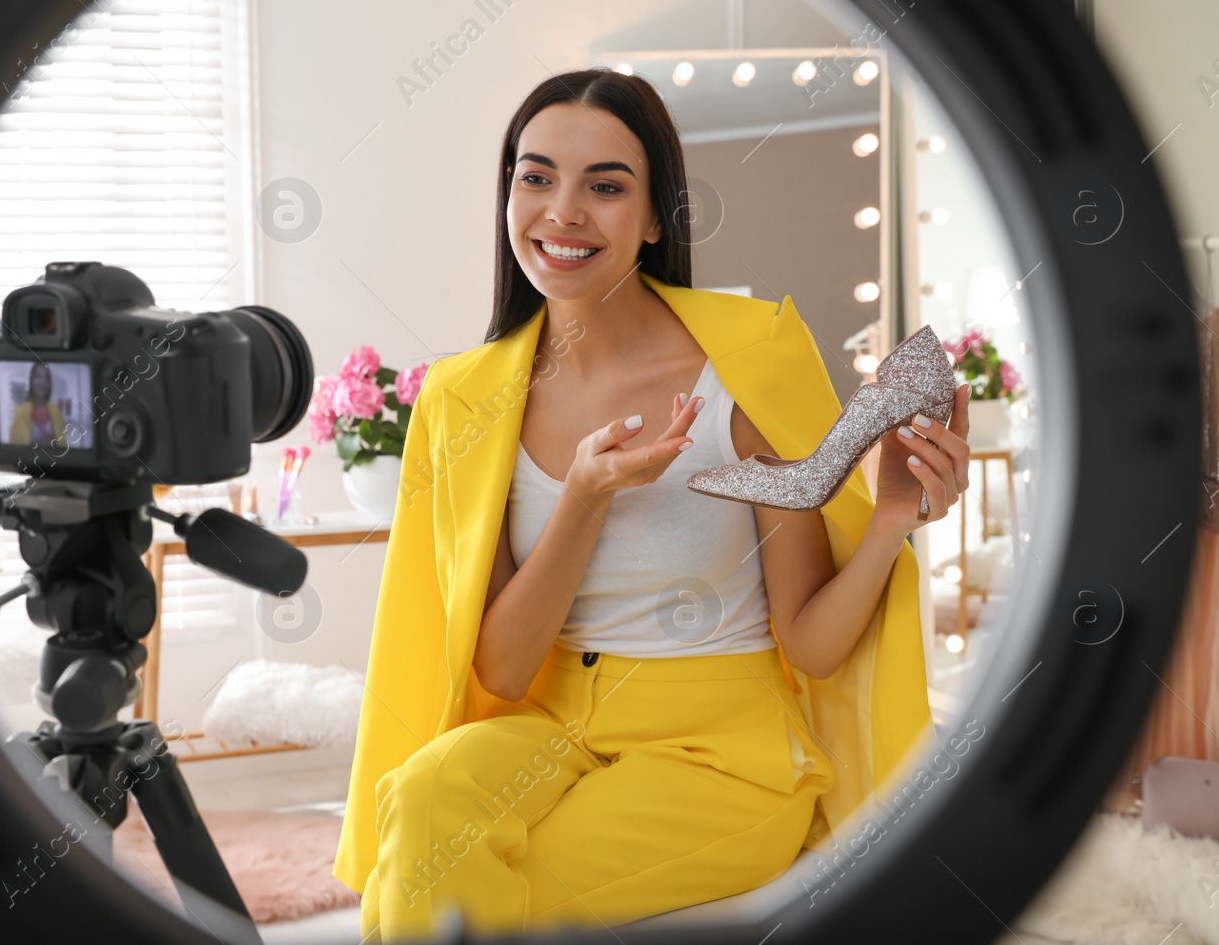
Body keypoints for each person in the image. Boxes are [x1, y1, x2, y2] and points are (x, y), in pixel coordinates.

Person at [333, 68, 971, 940]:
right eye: (536, 175)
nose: (563, 211)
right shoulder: (464, 399)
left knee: (466, 901)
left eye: (605, 185)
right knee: (426, 798)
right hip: (547, 723)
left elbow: (815, 647)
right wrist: (586, 497)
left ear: (658, 216)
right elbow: (507, 673)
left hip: (722, 756)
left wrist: (892, 520)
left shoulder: (746, 364)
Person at [8, 362, 66, 448]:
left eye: (45, 378)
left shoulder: (55, 410)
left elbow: (63, 445)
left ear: (49, 383)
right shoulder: (19, 411)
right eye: (38, 377)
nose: (42, 382)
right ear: (31, 380)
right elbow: (12, 447)